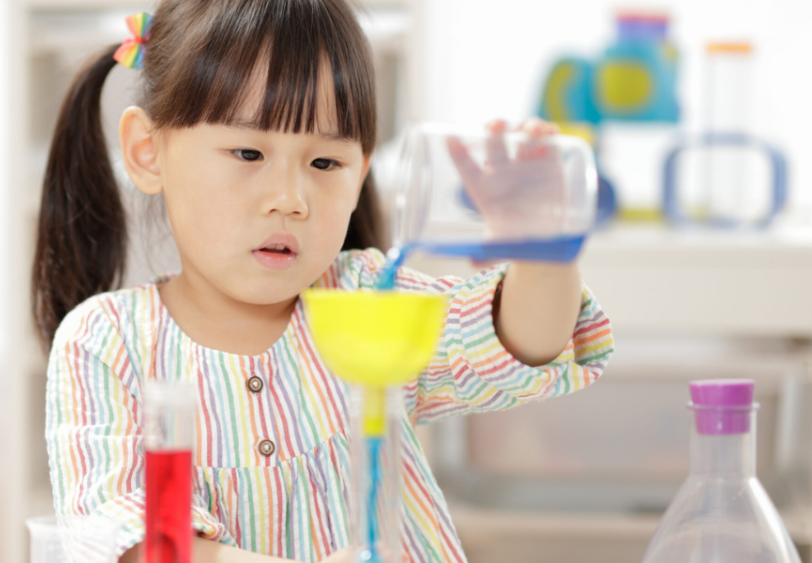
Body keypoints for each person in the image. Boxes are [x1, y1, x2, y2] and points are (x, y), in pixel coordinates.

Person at [34, 1, 614, 561]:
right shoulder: (106, 342)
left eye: (324, 164)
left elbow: (523, 341)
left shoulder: (368, 300)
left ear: (360, 174)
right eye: (247, 151)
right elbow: (131, 543)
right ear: (147, 152)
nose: (290, 200)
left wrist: (544, 249)